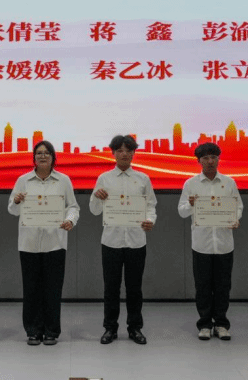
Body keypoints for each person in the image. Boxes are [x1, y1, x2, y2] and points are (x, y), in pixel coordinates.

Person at [9, 141, 80, 346]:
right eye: (39, 153)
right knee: (31, 289)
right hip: (28, 243)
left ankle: (51, 331)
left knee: (53, 289)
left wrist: (70, 220)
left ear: (53, 157)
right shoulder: (23, 180)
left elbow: (73, 207)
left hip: (55, 242)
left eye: (47, 153)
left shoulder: (63, 180)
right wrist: (16, 201)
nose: (42, 156)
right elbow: (12, 210)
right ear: (34, 157)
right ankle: (33, 331)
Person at [90, 135, 157, 345]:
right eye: (120, 150)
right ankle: (110, 328)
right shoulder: (104, 179)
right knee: (111, 288)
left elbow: (151, 206)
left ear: (134, 153)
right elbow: (94, 210)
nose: (124, 154)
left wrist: (150, 220)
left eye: (128, 150)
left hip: (136, 241)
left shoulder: (143, 179)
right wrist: (96, 197)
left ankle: (135, 328)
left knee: (134, 288)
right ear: (113, 153)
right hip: (111, 241)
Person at [177, 142, 243, 341]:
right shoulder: (191, 184)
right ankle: (205, 324)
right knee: (203, 286)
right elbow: (181, 211)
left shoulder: (229, 183)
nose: (210, 161)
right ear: (199, 161)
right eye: (205, 158)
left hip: (224, 244)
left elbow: (238, 206)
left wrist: (235, 218)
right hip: (201, 244)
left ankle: (221, 324)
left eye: (213, 157)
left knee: (223, 286)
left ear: (218, 159)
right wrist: (190, 205)